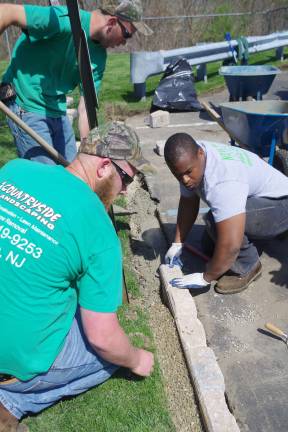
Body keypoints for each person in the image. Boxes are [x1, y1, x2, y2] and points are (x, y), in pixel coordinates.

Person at [0, 121, 154, 431]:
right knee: (113, 354)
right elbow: (102, 339)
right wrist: (137, 358)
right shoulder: (99, 231)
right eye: (125, 179)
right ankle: (13, 399)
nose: (124, 191)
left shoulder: (15, 170)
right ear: (104, 166)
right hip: (14, 363)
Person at [0, 0, 152, 164]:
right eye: (127, 34)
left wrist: (90, 153)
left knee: (74, 170)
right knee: (47, 179)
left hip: (56, 109)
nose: (125, 42)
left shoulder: (99, 57)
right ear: (112, 22)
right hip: (25, 103)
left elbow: (86, 109)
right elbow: (7, 12)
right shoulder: (63, 20)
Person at [164, 133, 288, 294]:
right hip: (258, 198)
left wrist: (206, 277)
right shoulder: (191, 156)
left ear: (200, 154)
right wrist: (178, 243)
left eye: (188, 172)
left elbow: (231, 246)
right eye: (178, 175)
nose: (185, 179)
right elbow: (188, 202)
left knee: (217, 226)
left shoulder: (222, 180)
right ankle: (255, 237)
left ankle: (249, 266)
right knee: (210, 246)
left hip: (281, 204)